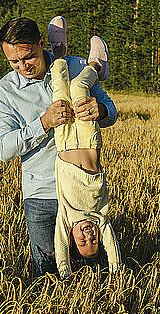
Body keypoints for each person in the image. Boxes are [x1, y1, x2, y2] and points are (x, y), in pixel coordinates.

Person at [0, 16, 118, 277]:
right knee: (48, 270)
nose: (22, 66)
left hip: (82, 189)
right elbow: (3, 149)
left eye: (28, 57)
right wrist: (44, 123)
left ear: (41, 42)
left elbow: (112, 112)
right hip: (41, 194)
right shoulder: (4, 91)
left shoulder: (75, 67)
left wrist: (99, 109)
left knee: (93, 265)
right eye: (14, 61)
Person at [50, 35, 122, 279]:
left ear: (72, 239)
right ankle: (96, 66)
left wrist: (66, 275)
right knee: (78, 88)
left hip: (64, 142)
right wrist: (116, 273)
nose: (88, 235)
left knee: (60, 90)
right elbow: (112, 248)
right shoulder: (100, 217)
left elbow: (60, 251)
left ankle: (58, 53)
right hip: (90, 142)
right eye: (94, 240)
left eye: (83, 242)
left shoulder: (66, 216)